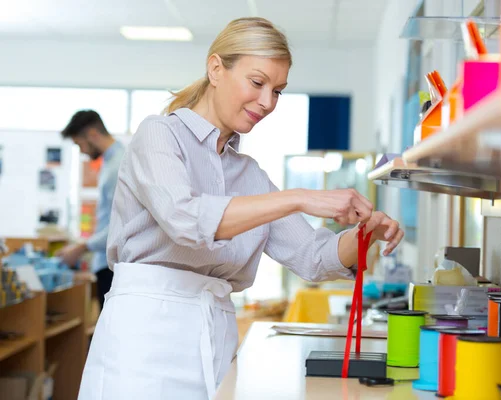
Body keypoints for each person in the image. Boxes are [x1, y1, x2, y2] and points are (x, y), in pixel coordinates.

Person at [78, 17, 403, 400]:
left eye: (278, 91)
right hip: (143, 339)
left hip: (214, 337)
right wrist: (298, 196)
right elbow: (184, 219)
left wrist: (365, 235)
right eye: (257, 82)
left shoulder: (249, 175)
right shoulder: (158, 135)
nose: (267, 103)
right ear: (216, 68)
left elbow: (314, 257)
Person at [58, 110, 125, 310]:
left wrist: (81, 247)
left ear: (93, 134)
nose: (82, 151)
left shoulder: (117, 166)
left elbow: (119, 224)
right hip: (107, 263)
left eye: (80, 144)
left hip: (111, 265)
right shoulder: (110, 161)